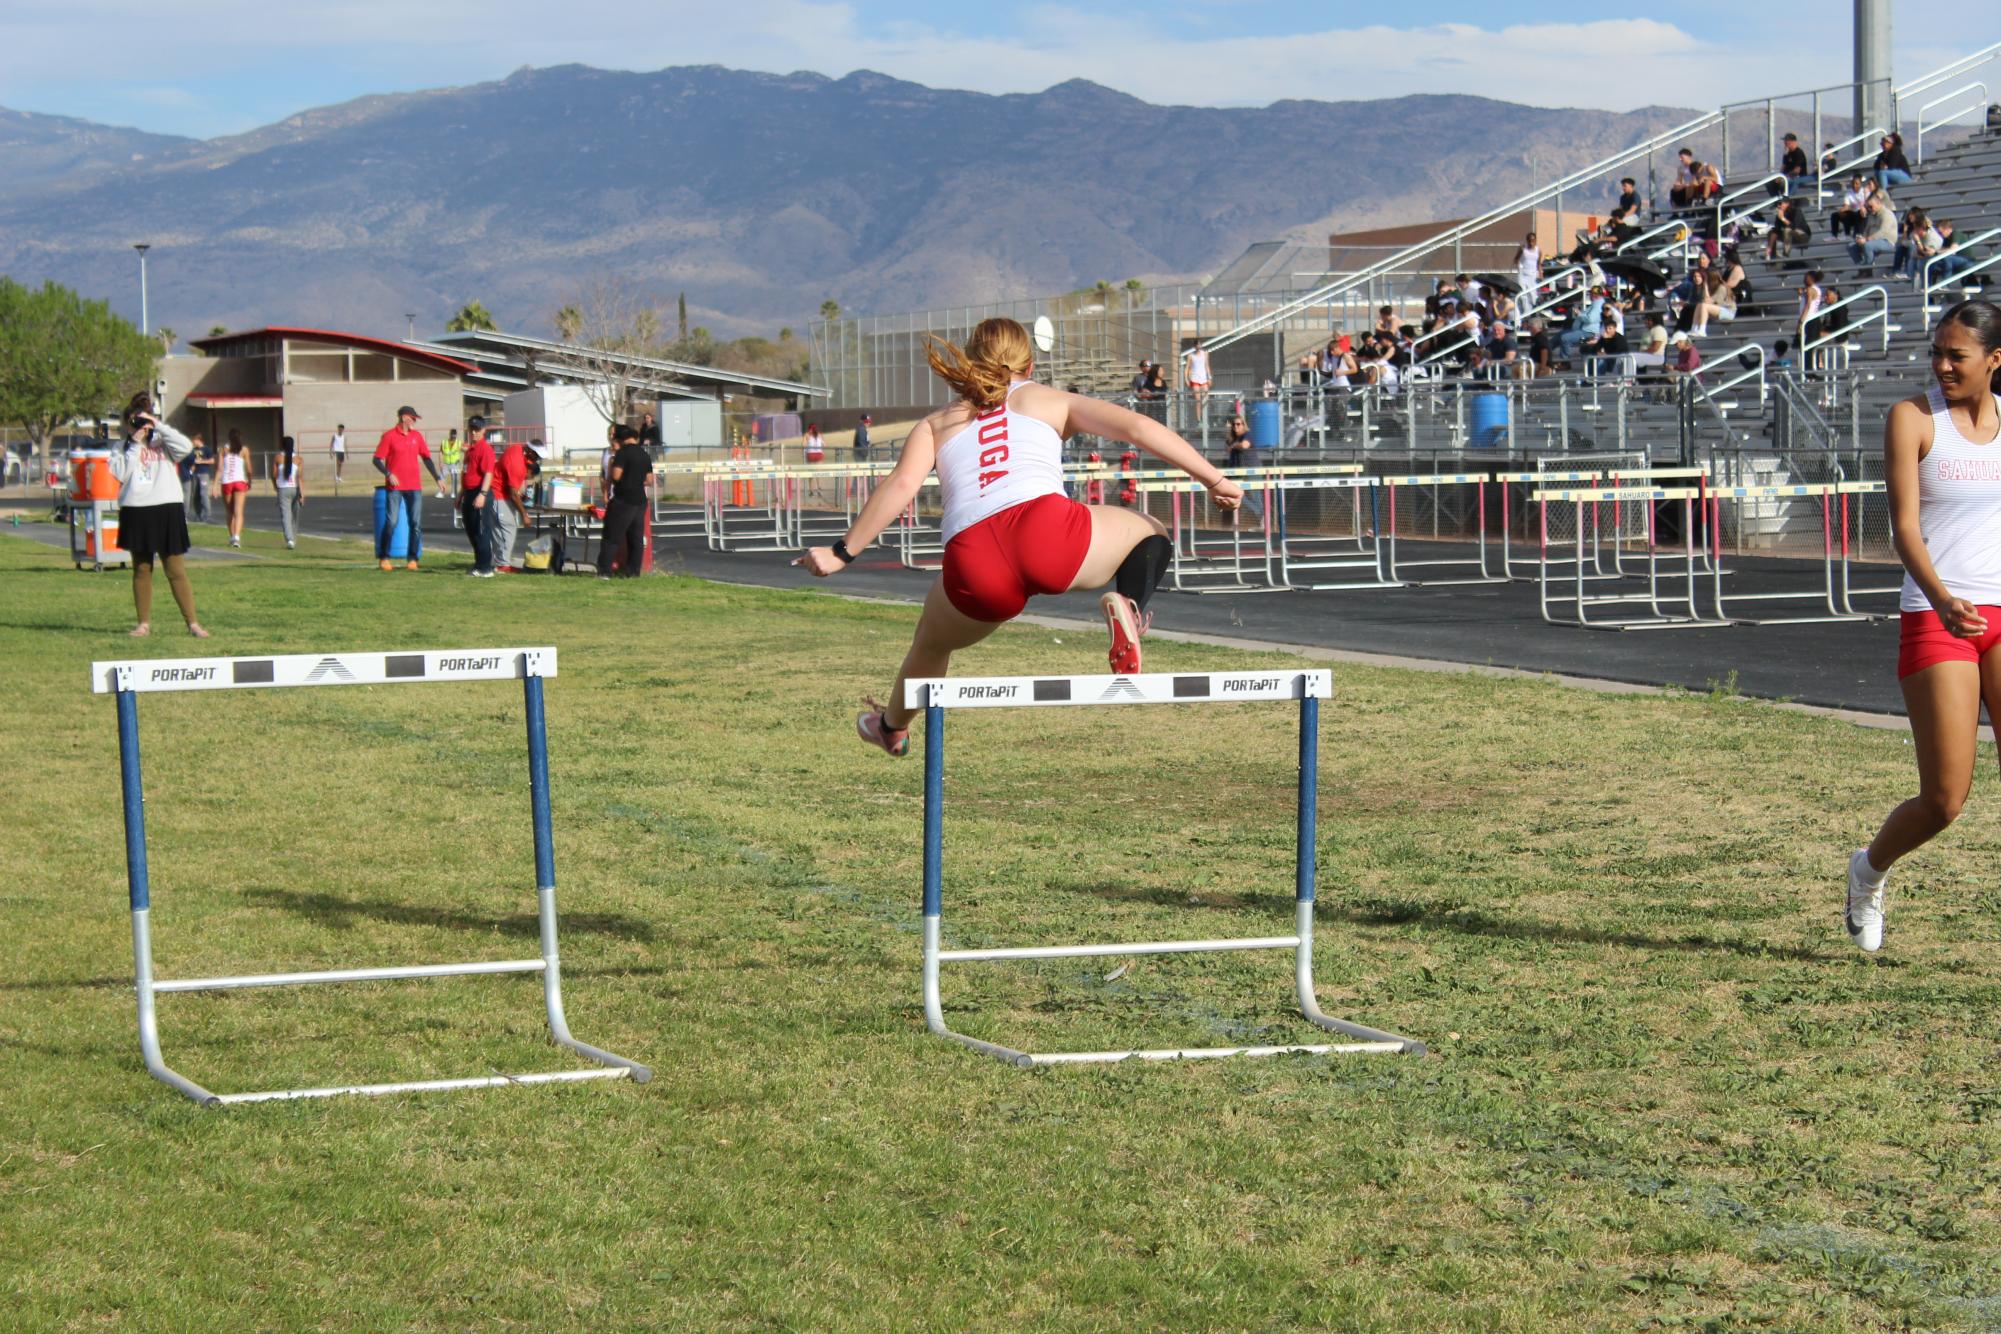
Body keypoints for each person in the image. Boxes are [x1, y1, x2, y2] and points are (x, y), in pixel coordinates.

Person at [794, 317, 1243, 756]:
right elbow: (1139, 428)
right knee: (1151, 532)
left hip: (975, 564)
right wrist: (1214, 480)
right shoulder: (1047, 399)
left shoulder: (935, 425)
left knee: (931, 644)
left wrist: (841, 553)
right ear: (1029, 367)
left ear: (971, 363)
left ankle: (891, 727)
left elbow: (900, 486)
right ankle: (1127, 604)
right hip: (1051, 537)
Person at [1847, 299, 2001, 953]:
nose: (1940, 365)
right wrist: (1939, 597)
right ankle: (1867, 871)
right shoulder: (1911, 418)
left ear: (1994, 360)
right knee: (1944, 799)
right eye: (1935, 352)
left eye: (1955, 355)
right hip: (1938, 613)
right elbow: (1903, 527)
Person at [109, 393, 207, 638]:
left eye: (142, 420)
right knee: (142, 568)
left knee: (175, 569)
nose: (140, 425)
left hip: (167, 507)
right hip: (136, 508)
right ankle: (143, 624)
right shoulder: (122, 447)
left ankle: (193, 623)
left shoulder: (164, 443)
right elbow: (122, 473)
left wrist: (157, 424)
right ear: (126, 424)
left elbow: (185, 447)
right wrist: (134, 443)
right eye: (134, 421)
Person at [372, 405, 439, 572]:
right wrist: (389, 474)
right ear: (404, 418)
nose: (415, 421)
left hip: (414, 486)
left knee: (415, 523)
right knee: (391, 521)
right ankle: (384, 557)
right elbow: (377, 459)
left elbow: (427, 458)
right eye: (413, 418)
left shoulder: (417, 436)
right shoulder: (389, 436)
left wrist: (438, 478)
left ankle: (413, 558)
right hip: (395, 487)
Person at [597, 424, 652, 579]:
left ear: (621, 439)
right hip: (640, 501)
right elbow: (649, 480)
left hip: (623, 500)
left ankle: (604, 571)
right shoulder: (644, 455)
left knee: (611, 537)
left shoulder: (622, 453)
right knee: (636, 538)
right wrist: (636, 480)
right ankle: (633, 572)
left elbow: (616, 476)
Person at [490, 437, 537, 570]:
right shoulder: (518, 465)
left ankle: (500, 562)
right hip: (499, 495)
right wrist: (525, 515)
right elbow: (513, 494)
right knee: (508, 528)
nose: (537, 460)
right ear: (531, 453)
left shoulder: (516, 448)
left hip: (495, 492)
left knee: (498, 529)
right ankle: (503, 564)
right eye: (537, 457)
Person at [459, 424, 497, 577]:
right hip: (469, 492)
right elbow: (466, 473)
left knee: (481, 530)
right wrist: (461, 494)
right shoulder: (470, 451)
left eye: (477, 430)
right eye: (471, 430)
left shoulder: (485, 449)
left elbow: (488, 473)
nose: (474, 433)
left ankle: (486, 567)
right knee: (472, 529)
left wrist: (482, 494)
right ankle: (479, 563)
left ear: (483, 431)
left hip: (480, 491)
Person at [217, 429, 251, 549]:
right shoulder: (244, 450)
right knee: (238, 511)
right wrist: (249, 480)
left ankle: (232, 537)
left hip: (226, 482)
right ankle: (236, 537)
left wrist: (215, 485)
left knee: (229, 511)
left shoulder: (223, 449)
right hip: (240, 481)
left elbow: (219, 469)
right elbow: (249, 469)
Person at [269, 435, 305, 549]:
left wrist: (275, 486)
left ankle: (290, 539)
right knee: (295, 516)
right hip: (295, 489)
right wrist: (302, 494)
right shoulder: (299, 459)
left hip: (283, 489)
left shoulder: (278, 458)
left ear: (282, 445)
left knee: (286, 516)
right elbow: (300, 478)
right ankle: (293, 538)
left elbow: (273, 475)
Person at [188, 431, 217, 523]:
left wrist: (202, 462)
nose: (193, 442)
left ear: (198, 440)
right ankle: (198, 514)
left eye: (194, 441)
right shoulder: (193, 450)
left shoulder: (206, 449)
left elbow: (212, 461)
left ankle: (208, 515)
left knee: (203, 494)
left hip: (203, 473)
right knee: (195, 495)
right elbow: (192, 462)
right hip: (195, 474)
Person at [1183, 343, 1212, 416]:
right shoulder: (1191, 355)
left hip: (1204, 379)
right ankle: (1199, 420)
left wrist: (1209, 378)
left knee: (1206, 399)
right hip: (1195, 379)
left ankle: (1205, 417)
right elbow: (1187, 368)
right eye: (1196, 345)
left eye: (1199, 344)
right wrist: (1186, 379)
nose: (1198, 346)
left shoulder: (1205, 354)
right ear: (1194, 346)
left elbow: (1207, 366)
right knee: (1198, 401)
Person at [437, 428, 463, 499]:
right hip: (446, 464)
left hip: (455, 464)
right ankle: (441, 492)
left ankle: (453, 493)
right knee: (441, 477)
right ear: (450, 434)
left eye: (455, 435)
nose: (453, 437)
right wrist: (440, 462)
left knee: (454, 479)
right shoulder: (444, 442)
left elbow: (464, 449)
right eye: (452, 435)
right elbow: (441, 452)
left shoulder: (459, 442)